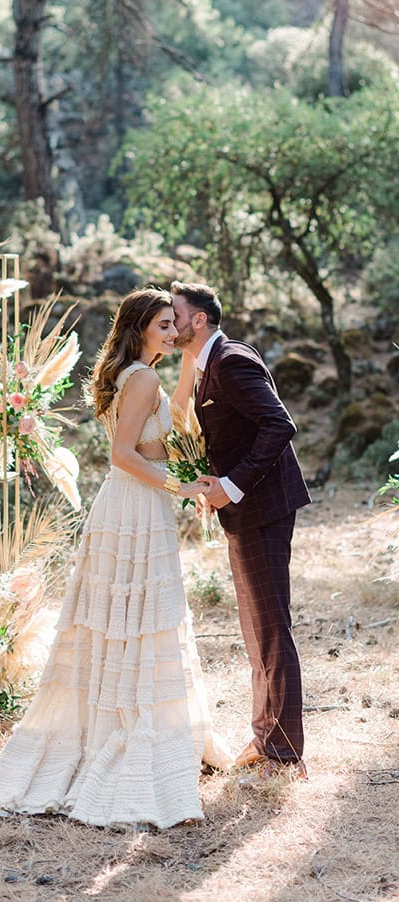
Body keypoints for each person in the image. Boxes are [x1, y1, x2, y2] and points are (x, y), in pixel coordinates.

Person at [0, 288, 232, 828]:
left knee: (124, 625)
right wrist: (182, 488)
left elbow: (176, 419)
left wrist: (186, 462)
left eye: (175, 323)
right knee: (136, 623)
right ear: (140, 327)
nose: (173, 331)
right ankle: (126, 736)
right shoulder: (141, 379)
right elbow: (122, 455)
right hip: (136, 507)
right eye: (164, 324)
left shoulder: (140, 373)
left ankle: (120, 723)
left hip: (131, 504)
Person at [170, 281, 311, 784]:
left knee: (271, 625)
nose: (172, 322)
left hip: (264, 508)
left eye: (178, 314)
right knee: (257, 626)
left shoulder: (230, 361)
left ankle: (284, 748)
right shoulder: (210, 362)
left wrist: (231, 484)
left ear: (200, 320)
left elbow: (280, 425)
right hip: (245, 509)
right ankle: (267, 736)